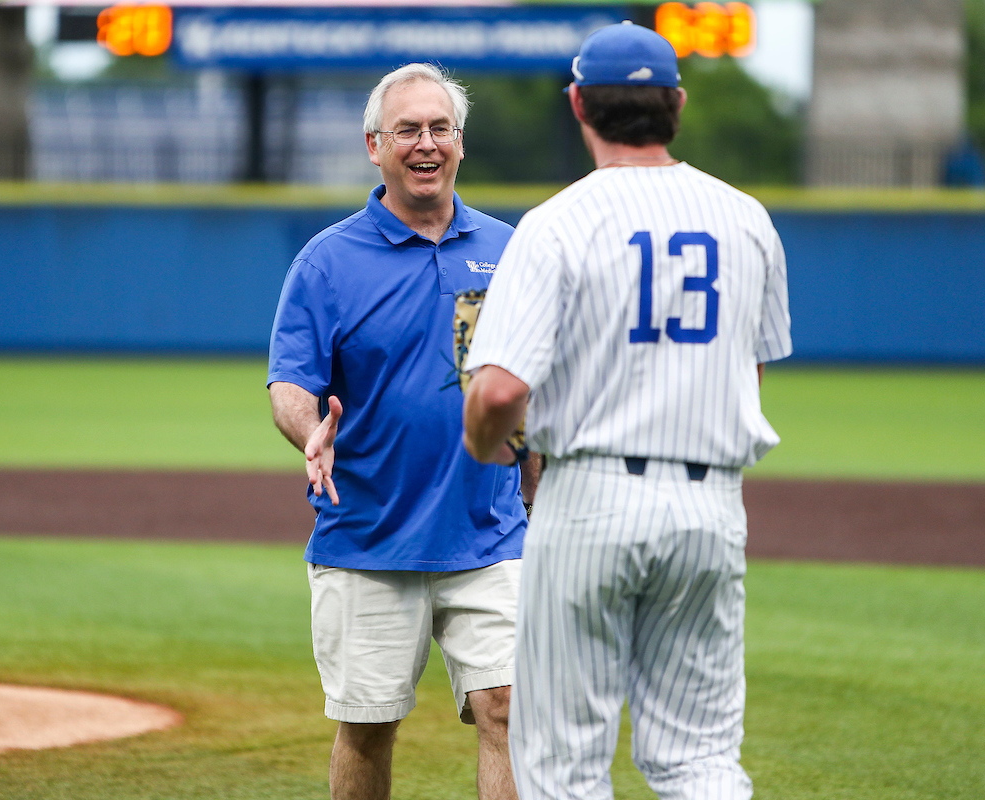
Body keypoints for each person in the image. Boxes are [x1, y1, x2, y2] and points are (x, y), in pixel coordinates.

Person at [462, 22, 792, 800]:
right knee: (699, 759)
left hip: (590, 500)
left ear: (579, 104)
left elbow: (501, 389)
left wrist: (485, 445)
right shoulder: (746, 218)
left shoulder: (556, 222)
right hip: (710, 505)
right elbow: (750, 371)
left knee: (566, 767)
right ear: (676, 103)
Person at [267, 63, 532, 800]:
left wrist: (538, 486)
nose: (426, 143)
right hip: (367, 535)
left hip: (489, 534)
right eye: (407, 130)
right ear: (373, 146)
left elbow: (534, 389)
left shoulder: (511, 252)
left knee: (508, 709)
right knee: (368, 726)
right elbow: (290, 381)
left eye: (440, 129)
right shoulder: (326, 261)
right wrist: (311, 429)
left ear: (460, 144)